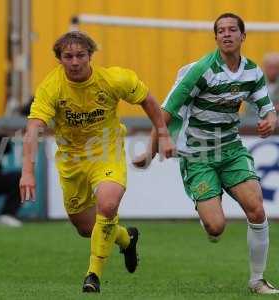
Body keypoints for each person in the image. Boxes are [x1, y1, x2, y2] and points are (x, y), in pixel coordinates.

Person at [133, 13, 278, 294]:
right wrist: (152, 151)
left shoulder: (252, 72)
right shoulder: (201, 70)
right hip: (197, 155)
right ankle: (208, 212)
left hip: (231, 150)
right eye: (220, 30)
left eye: (232, 29)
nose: (226, 34)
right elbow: (165, 112)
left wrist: (270, 120)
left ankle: (257, 280)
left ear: (242, 36)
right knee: (216, 227)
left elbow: (267, 108)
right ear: (216, 38)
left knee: (257, 209)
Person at [19, 31, 175, 293]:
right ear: (59, 59)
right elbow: (34, 128)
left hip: (106, 151)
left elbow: (147, 99)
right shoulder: (50, 88)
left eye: (81, 55)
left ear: (90, 56)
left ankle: (93, 275)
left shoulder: (113, 79)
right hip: (71, 160)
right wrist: (27, 172)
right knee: (85, 228)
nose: (75, 61)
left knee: (108, 203)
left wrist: (163, 134)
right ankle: (126, 239)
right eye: (68, 56)